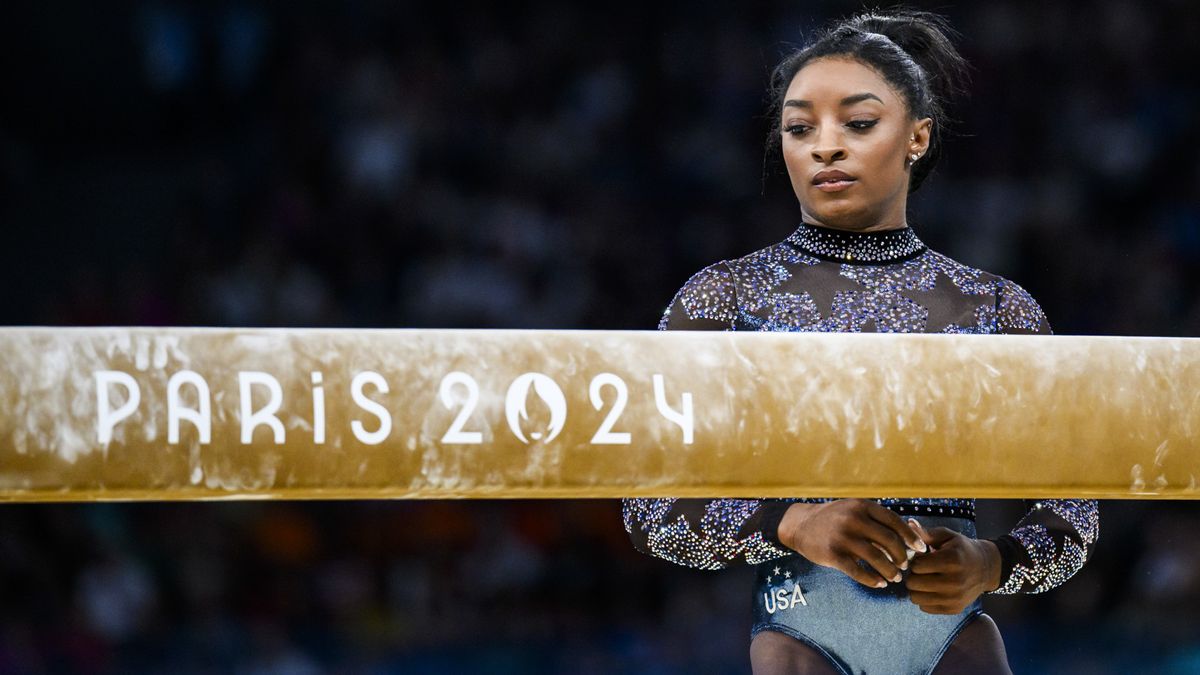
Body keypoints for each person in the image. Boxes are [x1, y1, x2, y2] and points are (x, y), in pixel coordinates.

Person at [622, 8, 1099, 675]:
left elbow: (1074, 512)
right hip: (798, 634)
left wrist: (993, 562)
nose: (825, 146)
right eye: (799, 127)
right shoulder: (725, 299)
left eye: (859, 122)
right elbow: (650, 510)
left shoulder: (995, 307)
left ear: (917, 137)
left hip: (954, 636)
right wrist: (788, 523)